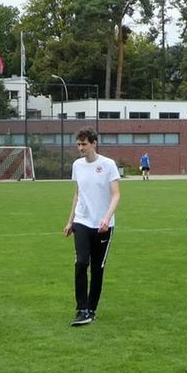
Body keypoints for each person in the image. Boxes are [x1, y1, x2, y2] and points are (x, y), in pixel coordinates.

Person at [63, 128, 120, 326]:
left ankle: (92, 309)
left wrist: (106, 217)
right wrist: (71, 221)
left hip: (103, 225)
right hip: (82, 221)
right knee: (81, 263)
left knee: (97, 268)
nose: (80, 148)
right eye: (78, 144)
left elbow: (116, 195)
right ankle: (82, 308)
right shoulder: (77, 166)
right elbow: (77, 194)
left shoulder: (108, 165)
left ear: (94, 143)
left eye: (84, 144)